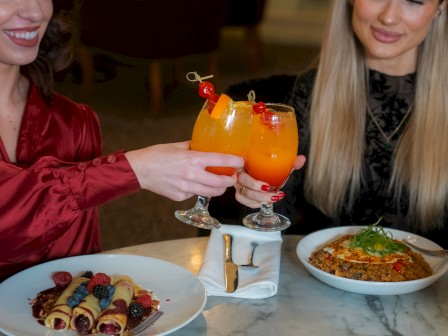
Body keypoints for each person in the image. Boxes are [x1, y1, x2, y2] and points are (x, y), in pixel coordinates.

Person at [0, 0, 244, 281]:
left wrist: (237, 174)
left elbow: (78, 262)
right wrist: (131, 170)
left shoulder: (75, 123)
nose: (35, 11)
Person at [234, 0, 448, 248]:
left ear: (441, 7)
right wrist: (256, 196)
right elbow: (273, 230)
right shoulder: (307, 96)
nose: (389, 17)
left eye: (414, 1)